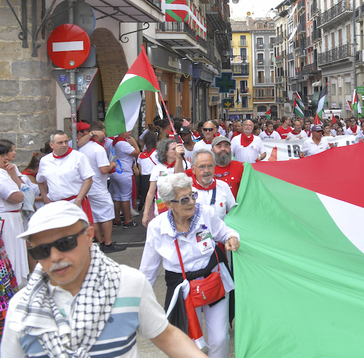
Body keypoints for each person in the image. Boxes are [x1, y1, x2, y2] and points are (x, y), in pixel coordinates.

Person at [3, 201, 207, 358]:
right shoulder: (22, 308)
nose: (55, 257)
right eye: (42, 250)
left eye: (65, 243)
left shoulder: (128, 284)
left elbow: (166, 336)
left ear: (89, 235)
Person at [139, 174, 240, 358]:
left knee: (220, 339)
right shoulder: (156, 228)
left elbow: (225, 232)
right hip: (181, 289)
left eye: (192, 195)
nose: (191, 202)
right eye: (184, 199)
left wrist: (232, 238)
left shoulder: (206, 214)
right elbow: (148, 270)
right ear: (169, 204)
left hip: (212, 282)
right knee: (187, 343)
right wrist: (137, 300)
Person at [78, 124, 125, 253]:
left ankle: (101, 241)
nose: (105, 134)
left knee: (95, 216)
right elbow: (103, 169)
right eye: (104, 132)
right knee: (106, 215)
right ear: (98, 134)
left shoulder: (82, 148)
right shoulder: (98, 149)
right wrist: (112, 164)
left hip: (87, 187)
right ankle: (108, 243)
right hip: (98, 186)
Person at [36, 131, 94, 222]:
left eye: (66, 142)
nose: (64, 145)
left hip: (74, 202)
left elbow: (88, 179)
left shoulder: (79, 157)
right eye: (60, 143)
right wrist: (44, 195)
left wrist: (78, 200)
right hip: (54, 204)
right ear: (52, 145)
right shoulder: (45, 161)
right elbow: (40, 180)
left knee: (78, 233)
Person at [0, 141, 29, 286]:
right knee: (10, 252)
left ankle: (17, 281)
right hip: (6, 219)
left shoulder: (5, 172)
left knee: (17, 250)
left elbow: (18, 188)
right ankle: (13, 283)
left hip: (13, 217)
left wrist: (12, 174)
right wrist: (21, 195)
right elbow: (15, 196)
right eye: (3, 156)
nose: (6, 159)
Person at [142, 139, 185, 227]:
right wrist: (145, 213)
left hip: (180, 207)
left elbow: (180, 178)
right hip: (162, 208)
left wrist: (179, 159)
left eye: (178, 148)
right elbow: (151, 192)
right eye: (173, 149)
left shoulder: (185, 164)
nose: (176, 151)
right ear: (165, 152)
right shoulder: (157, 168)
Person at [189, 150, 235, 220]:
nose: (206, 170)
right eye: (202, 167)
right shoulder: (187, 190)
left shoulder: (223, 186)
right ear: (193, 169)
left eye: (210, 166)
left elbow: (233, 212)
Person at [109, 131, 141, 228]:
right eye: (128, 132)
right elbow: (137, 153)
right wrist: (134, 143)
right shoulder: (122, 143)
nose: (130, 133)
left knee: (117, 196)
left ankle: (117, 219)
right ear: (123, 133)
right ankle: (128, 220)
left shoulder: (114, 142)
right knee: (125, 197)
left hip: (115, 171)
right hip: (124, 172)